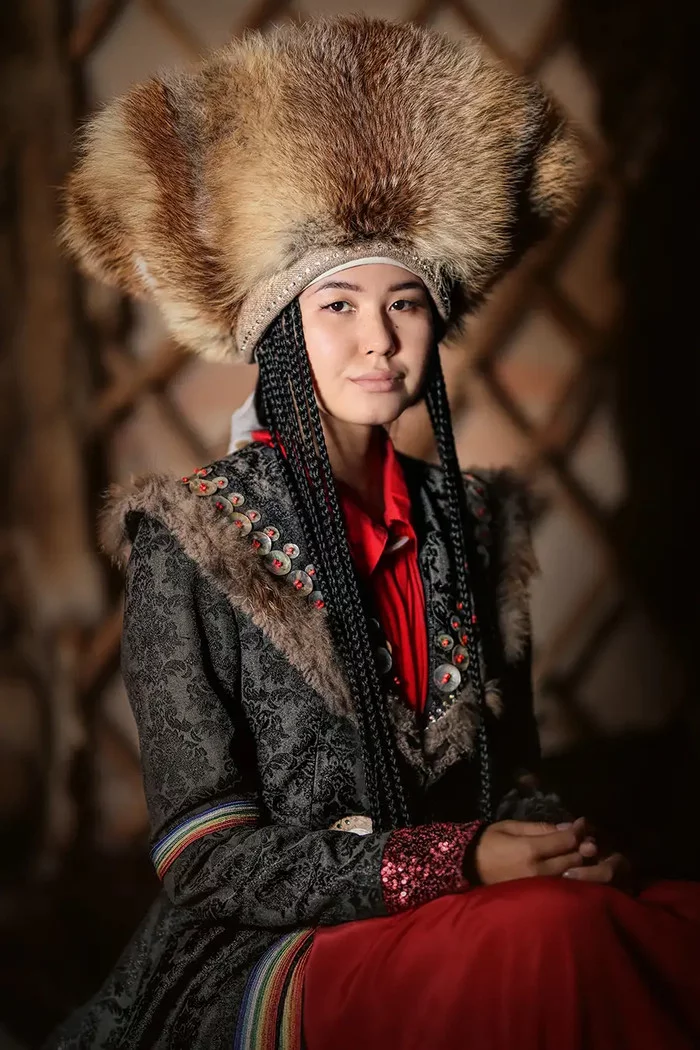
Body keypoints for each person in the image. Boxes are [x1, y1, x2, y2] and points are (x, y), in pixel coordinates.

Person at [46, 15, 700, 1050]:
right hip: (270, 951)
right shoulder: (194, 539)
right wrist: (452, 862)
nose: (379, 341)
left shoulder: (472, 525)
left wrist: (556, 846)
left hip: (463, 913)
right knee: (550, 943)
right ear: (280, 331)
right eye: (338, 306)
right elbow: (205, 858)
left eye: (406, 304)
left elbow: (509, 777)